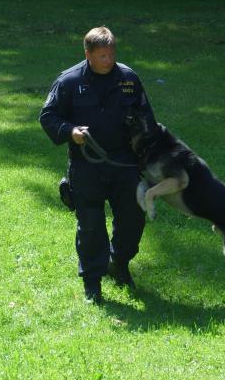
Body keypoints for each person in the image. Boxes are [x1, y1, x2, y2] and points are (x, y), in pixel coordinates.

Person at [39, 27, 155, 304]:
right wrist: (70, 132)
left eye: (112, 53)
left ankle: (119, 263)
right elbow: (48, 116)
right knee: (90, 225)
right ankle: (92, 282)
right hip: (86, 164)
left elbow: (146, 119)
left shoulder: (128, 78)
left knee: (133, 219)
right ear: (87, 54)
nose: (108, 60)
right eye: (102, 55)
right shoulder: (69, 81)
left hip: (124, 162)